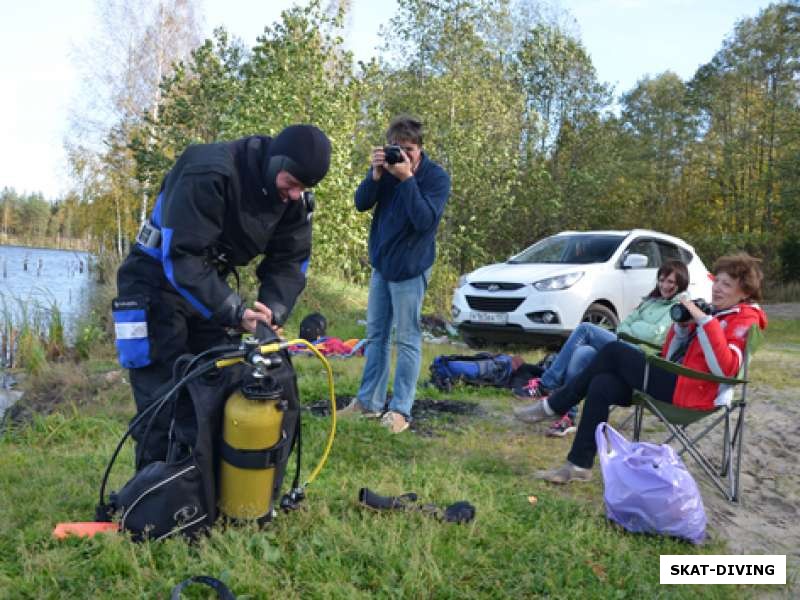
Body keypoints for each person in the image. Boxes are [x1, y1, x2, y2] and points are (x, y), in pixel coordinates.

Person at [114, 124, 331, 465]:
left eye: (302, 188)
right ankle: (152, 499)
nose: (294, 194)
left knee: (219, 383)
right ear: (276, 162)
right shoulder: (209, 170)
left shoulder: (293, 199)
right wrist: (234, 311)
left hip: (206, 287)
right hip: (152, 280)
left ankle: (206, 492)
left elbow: (290, 261)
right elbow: (181, 257)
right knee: (163, 396)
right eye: (291, 183)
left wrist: (271, 310)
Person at [518, 253, 767, 484]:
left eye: (726, 284)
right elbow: (670, 356)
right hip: (676, 381)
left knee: (614, 351)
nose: (716, 288)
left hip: (693, 393)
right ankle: (578, 465)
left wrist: (704, 321)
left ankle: (554, 405)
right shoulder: (717, 312)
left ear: (744, 292)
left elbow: (725, 369)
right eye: (717, 281)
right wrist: (683, 328)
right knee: (601, 383)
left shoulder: (744, 319)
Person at [341, 115, 451, 433]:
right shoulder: (386, 170)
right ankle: (368, 402)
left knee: (406, 340)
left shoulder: (435, 178)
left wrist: (407, 180)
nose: (402, 156)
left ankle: (401, 410)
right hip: (382, 265)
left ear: (420, 149)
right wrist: (375, 175)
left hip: (411, 269)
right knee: (375, 336)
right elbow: (361, 203)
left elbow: (423, 220)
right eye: (396, 149)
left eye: (409, 150)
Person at [515, 260, 690, 437]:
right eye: (661, 280)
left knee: (585, 329)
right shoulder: (651, 301)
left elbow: (656, 336)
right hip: (622, 346)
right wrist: (632, 330)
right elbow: (623, 325)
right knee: (583, 353)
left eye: (670, 282)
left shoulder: (680, 307)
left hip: (642, 358)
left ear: (680, 283)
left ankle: (547, 384)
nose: (664, 285)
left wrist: (633, 329)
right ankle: (568, 416)